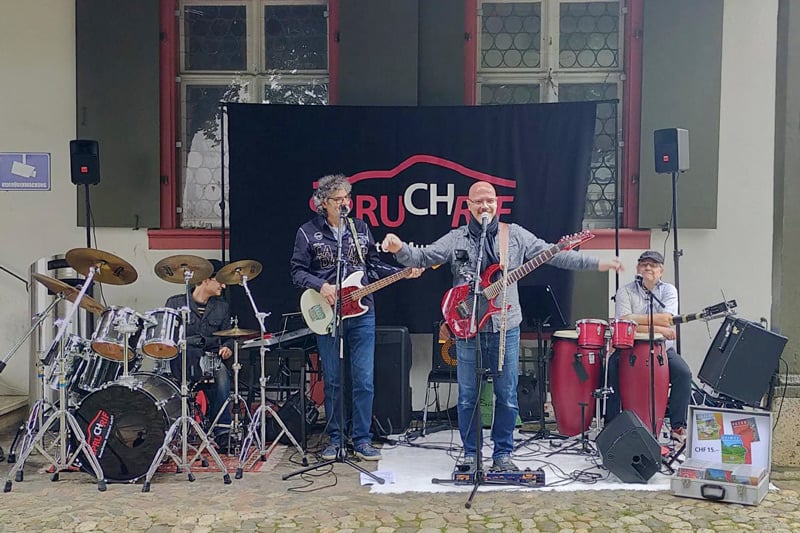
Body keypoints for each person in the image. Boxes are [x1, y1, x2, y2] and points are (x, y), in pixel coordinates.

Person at [381, 181, 623, 472]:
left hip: (505, 326)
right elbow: (423, 257)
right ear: (468, 206)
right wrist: (398, 248)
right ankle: (471, 454)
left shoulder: (515, 236)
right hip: (468, 326)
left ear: (497, 204)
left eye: (490, 200)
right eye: (478, 201)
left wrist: (598, 264)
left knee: (506, 396)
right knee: (468, 396)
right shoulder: (456, 238)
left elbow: (555, 254)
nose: (485, 206)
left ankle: (502, 454)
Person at [290, 174, 424, 461]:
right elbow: (297, 271)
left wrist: (402, 272)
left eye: (347, 198)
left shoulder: (360, 228)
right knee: (334, 380)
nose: (344, 203)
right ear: (323, 202)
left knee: (364, 379)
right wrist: (321, 285)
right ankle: (335, 438)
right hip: (328, 313)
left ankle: (362, 439)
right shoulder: (307, 232)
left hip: (362, 312)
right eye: (338, 199)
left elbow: (372, 266)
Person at [605, 250, 693, 444]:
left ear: (661, 270)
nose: (648, 268)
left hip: (662, 349)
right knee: (611, 369)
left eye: (653, 265)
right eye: (644, 264)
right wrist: (658, 326)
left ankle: (678, 426)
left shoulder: (669, 291)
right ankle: (611, 425)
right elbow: (623, 323)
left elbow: (668, 319)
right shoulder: (625, 291)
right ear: (638, 268)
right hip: (630, 347)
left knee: (684, 374)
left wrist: (636, 320)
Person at [165, 259, 234, 450]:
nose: (223, 286)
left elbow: (229, 337)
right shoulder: (175, 303)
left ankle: (222, 432)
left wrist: (227, 347)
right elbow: (169, 335)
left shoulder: (222, 307)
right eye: (219, 281)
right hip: (181, 359)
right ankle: (170, 429)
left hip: (209, 360)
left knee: (221, 376)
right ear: (205, 279)